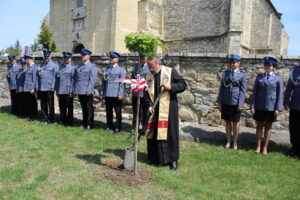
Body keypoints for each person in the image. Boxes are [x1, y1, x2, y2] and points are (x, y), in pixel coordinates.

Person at [143, 56, 187, 170]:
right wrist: (148, 105)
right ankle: (155, 158)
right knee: (153, 134)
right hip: (154, 110)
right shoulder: (149, 77)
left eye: (152, 67)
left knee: (170, 134)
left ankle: (172, 160)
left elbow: (183, 85)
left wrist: (171, 86)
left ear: (159, 64)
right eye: (149, 67)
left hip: (168, 110)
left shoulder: (170, 72)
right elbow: (146, 94)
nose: (150, 70)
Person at [250, 56, 283, 155]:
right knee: (259, 126)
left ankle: (265, 147)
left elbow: (280, 94)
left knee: (268, 126)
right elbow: (254, 92)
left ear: (273, 67)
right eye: (265, 65)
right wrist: (252, 106)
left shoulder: (278, 78)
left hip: (271, 106)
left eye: (269, 65)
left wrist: (278, 108)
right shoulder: (259, 77)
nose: (267, 66)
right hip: (259, 105)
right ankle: (258, 146)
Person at [217, 54, 247, 150]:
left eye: (234, 62)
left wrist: (241, 103)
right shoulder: (226, 73)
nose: (232, 64)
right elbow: (222, 88)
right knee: (227, 122)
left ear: (238, 63)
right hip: (226, 101)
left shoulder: (242, 74)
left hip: (236, 102)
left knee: (236, 123)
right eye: (231, 62)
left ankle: (235, 142)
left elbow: (243, 90)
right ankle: (228, 141)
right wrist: (220, 101)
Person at [99, 51, 126, 133]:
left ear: (117, 59)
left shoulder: (121, 70)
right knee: (108, 110)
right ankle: (109, 125)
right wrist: (102, 92)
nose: (110, 59)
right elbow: (104, 82)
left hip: (116, 93)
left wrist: (120, 94)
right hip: (107, 93)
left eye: (112, 58)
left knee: (117, 111)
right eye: (110, 58)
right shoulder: (107, 69)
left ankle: (117, 126)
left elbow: (122, 83)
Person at [73, 49, 98, 130]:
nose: (82, 57)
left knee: (89, 107)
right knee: (83, 107)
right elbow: (77, 79)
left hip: (87, 90)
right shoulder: (80, 66)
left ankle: (90, 124)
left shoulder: (92, 66)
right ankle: (84, 122)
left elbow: (92, 79)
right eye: (82, 55)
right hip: (80, 90)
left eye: (84, 55)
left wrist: (89, 90)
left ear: (88, 56)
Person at [36, 50, 59, 123]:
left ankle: (51, 119)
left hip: (49, 88)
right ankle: (44, 117)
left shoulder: (54, 65)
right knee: (43, 104)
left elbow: (56, 77)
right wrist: (37, 86)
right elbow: (37, 76)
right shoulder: (40, 65)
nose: (46, 57)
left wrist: (53, 87)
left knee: (50, 104)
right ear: (44, 57)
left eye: (48, 56)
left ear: (50, 56)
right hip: (42, 87)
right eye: (45, 56)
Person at [129, 55, 149, 132]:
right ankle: (135, 127)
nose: (142, 59)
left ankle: (144, 128)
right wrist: (130, 91)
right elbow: (132, 79)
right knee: (135, 111)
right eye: (141, 58)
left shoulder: (149, 66)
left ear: (147, 58)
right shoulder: (136, 66)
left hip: (145, 92)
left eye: (143, 58)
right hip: (136, 92)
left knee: (145, 111)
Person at [284, 65, 300, 157]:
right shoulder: (295, 70)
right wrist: (286, 101)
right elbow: (289, 87)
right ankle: (295, 148)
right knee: (294, 128)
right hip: (295, 105)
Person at [55, 52, 76, 126]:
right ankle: (62, 120)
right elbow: (57, 79)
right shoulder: (60, 67)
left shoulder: (73, 68)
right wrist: (57, 90)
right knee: (62, 106)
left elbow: (74, 80)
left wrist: (72, 91)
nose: (66, 59)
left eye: (67, 58)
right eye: (65, 58)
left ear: (70, 59)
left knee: (69, 107)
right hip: (61, 90)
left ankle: (70, 121)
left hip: (68, 90)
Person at [23, 55, 38, 120]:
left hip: (31, 88)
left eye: (26, 60)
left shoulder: (34, 67)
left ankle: (33, 115)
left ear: (29, 60)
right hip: (27, 88)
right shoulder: (28, 67)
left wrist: (33, 88)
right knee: (28, 102)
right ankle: (30, 115)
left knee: (32, 103)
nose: (25, 61)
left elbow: (34, 78)